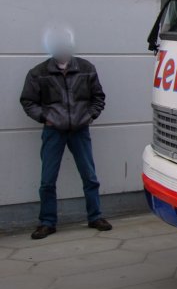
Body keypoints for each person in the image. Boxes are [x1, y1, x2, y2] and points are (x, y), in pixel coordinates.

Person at [19, 28, 112, 239]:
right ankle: (47, 222)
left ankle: (95, 216)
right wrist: (45, 118)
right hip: (53, 131)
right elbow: (28, 101)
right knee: (48, 180)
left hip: (80, 130)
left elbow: (98, 97)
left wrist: (90, 116)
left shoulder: (87, 68)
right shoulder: (38, 72)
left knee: (89, 176)